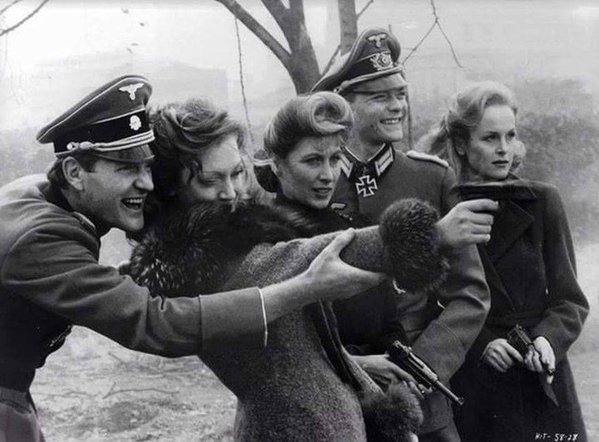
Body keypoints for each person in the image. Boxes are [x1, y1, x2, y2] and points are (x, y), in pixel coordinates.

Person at [0, 75, 387, 441]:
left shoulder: (36, 195)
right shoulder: (41, 239)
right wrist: (304, 287)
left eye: (146, 168)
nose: (146, 183)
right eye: (126, 168)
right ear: (73, 172)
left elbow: (83, 281)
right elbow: (155, 323)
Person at [128, 96, 448, 441]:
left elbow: (325, 347)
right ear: (172, 190)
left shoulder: (254, 235)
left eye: (237, 173)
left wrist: (382, 404)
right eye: (209, 181)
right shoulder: (206, 261)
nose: (231, 192)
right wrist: (435, 233)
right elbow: (306, 259)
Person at [311, 28, 493, 441]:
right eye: (381, 97)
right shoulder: (316, 183)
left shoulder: (430, 178)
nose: (397, 106)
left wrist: (420, 366)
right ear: (344, 105)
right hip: (332, 387)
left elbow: (470, 295)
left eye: (400, 95)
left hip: (417, 393)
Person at [417, 81, 589, 442]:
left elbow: (570, 300)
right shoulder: (441, 209)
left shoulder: (542, 201)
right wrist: (480, 344)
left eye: (510, 136)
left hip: (540, 376)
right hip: (476, 386)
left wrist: (547, 341)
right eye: (490, 138)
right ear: (461, 144)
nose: (504, 149)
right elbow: (425, 304)